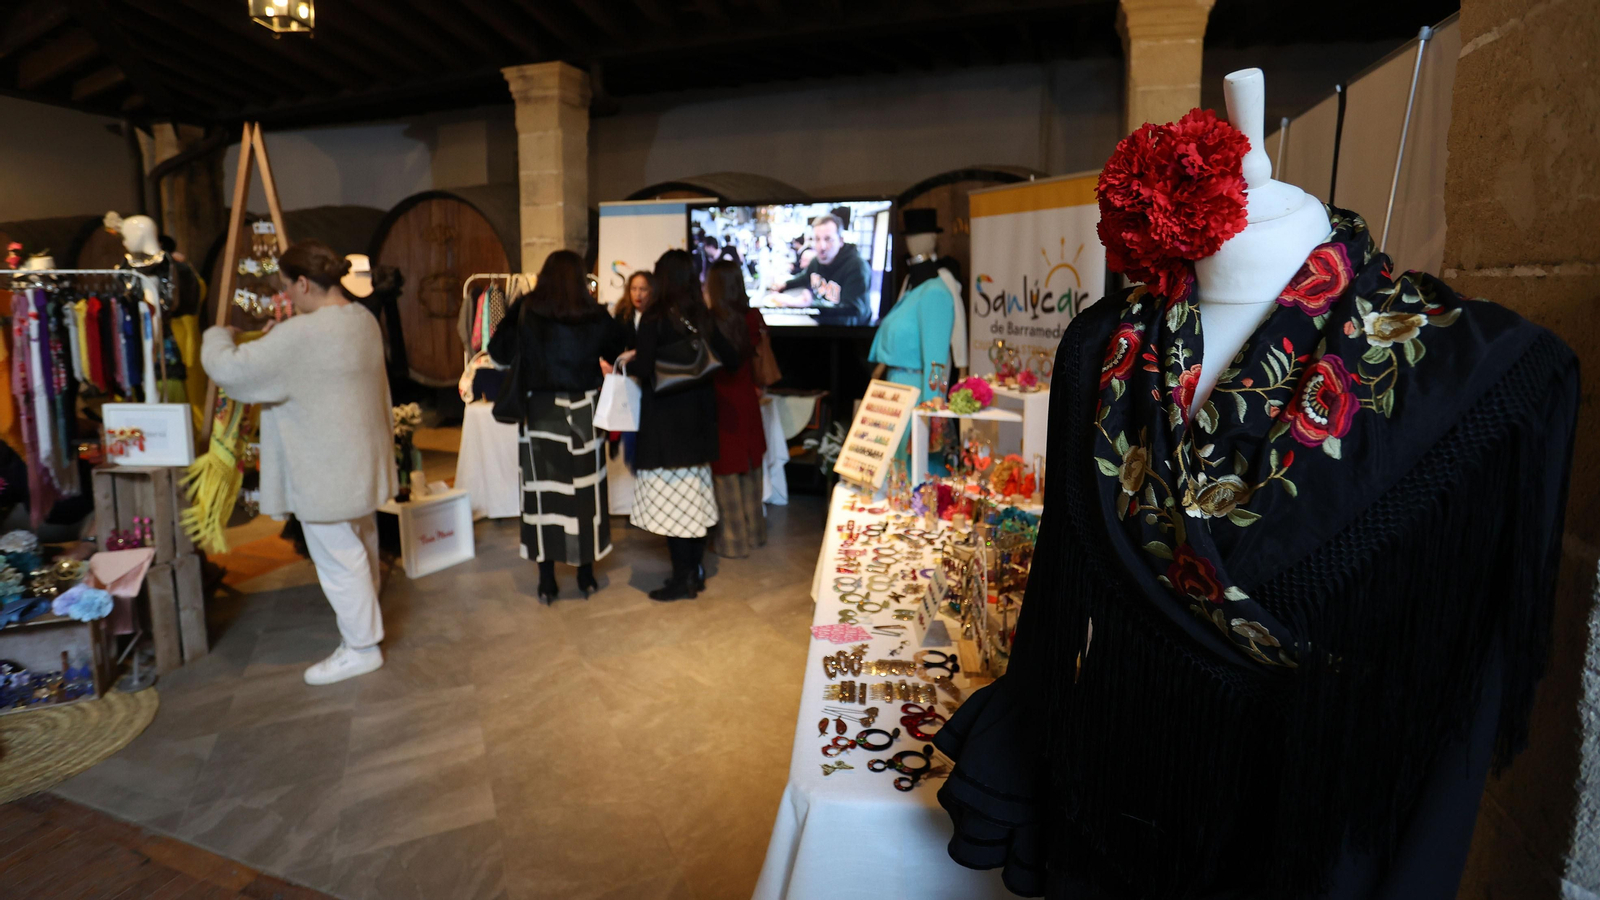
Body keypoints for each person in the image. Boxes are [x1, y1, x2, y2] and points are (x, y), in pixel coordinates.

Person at [201, 240, 395, 686]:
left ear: (303, 283)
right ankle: (364, 629)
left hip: (324, 469)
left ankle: (361, 648)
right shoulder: (362, 319)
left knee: (338, 559)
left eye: (287, 288)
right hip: (361, 462)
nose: (287, 296)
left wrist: (219, 334)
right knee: (360, 544)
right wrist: (278, 338)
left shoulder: (301, 335)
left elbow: (230, 370)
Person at [488, 250, 626, 603]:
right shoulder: (594, 314)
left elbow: (499, 352)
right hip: (583, 410)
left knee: (542, 495)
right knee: (586, 495)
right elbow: (620, 348)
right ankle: (585, 575)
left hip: (540, 411)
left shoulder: (527, 309)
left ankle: (546, 580)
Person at [624, 249, 739, 601]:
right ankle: (693, 572)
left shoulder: (654, 317)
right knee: (692, 505)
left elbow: (644, 370)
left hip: (665, 430)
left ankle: (682, 579)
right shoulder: (701, 315)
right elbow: (731, 360)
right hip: (698, 428)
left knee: (672, 507)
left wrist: (628, 363)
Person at [704, 260, 768, 558]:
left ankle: (733, 541)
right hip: (747, 399)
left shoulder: (711, 320)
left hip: (721, 402)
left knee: (726, 472)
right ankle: (755, 533)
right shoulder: (753, 316)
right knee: (751, 467)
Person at [771, 213, 872, 326]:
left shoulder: (857, 267)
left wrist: (809, 305)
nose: (821, 246)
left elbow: (851, 316)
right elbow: (806, 277)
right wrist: (785, 284)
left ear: (841, 241)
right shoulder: (816, 261)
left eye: (828, 239)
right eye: (817, 239)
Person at [614, 269, 654, 350]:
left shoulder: (657, 315)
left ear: (652, 291)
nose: (637, 294)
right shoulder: (623, 314)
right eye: (633, 289)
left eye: (643, 289)